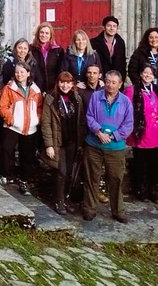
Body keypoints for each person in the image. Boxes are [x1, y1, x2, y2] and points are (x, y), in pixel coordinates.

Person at [84, 70, 134, 222]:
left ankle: (118, 211)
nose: (110, 85)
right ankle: (89, 209)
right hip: (94, 145)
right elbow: (89, 116)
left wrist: (113, 136)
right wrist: (98, 132)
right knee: (91, 177)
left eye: (114, 82)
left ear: (120, 84)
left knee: (115, 179)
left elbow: (128, 124)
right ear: (104, 82)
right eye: (108, 81)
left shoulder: (125, 102)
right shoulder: (96, 96)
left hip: (115, 148)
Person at [41, 71, 87, 214]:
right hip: (57, 141)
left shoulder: (77, 99)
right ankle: (58, 201)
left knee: (69, 173)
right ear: (58, 83)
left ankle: (65, 198)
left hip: (72, 141)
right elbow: (46, 123)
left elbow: (81, 122)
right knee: (61, 172)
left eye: (68, 82)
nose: (65, 85)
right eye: (62, 82)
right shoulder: (50, 99)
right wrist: (49, 145)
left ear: (73, 84)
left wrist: (81, 142)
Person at [125, 64, 158, 203]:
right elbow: (126, 111)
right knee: (140, 164)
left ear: (154, 76)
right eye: (145, 72)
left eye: (151, 73)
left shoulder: (157, 90)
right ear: (140, 74)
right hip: (140, 133)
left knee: (154, 164)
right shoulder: (132, 90)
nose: (148, 75)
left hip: (157, 133)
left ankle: (152, 190)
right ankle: (140, 189)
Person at [0, 61, 43, 194]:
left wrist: (37, 119)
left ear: (28, 73)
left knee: (27, 155)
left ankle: (24, 180)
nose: (19, 74)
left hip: (30, 127)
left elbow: (40, 107)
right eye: (17, 72)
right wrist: (11, 120)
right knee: (7, 150)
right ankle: (4, 175)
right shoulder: (9, 88)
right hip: (13, 126)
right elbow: (3, 106)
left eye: (22, 72)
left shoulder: (35, 90)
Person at [127, 27, 158, 95]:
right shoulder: (139, 53)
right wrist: (140, 85)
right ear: (147, 39)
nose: (154, 40)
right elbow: (132, 70)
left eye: (156, 37)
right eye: (151, 37)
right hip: (143, 91)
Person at [90, 16, 127, 84]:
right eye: (109, 26)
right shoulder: (93, 43)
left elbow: (123, 63)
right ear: (104, 27)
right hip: (99, 81)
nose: (112, 28)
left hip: (116, 81)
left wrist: (121, 80)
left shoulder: (120, 42)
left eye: (114, 26)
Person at [30, 24, 63, 95]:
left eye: (47, 33)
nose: (44, 35)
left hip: (53, 89)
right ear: (38, 33)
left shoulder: (58, 50)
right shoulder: (31, 49)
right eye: (41, 32)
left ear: (51, 35)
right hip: (35, 88)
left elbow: (61, 70)